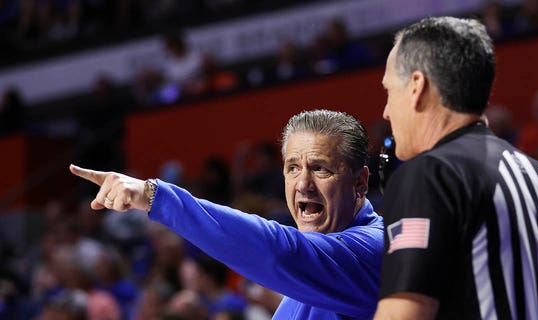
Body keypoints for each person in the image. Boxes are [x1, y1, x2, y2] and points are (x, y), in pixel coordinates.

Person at [69, 109, 383, 319]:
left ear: (360, 183)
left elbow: (278, 251)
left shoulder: (375, 248)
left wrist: (157, 197)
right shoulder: (303, 281)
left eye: (320, 169)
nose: (303, 184)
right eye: (292, 168)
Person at [374, 17, 538, 319]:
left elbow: (403, 314)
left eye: (389, 91)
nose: (385, 111)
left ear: (416, 87)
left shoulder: (431, 173)